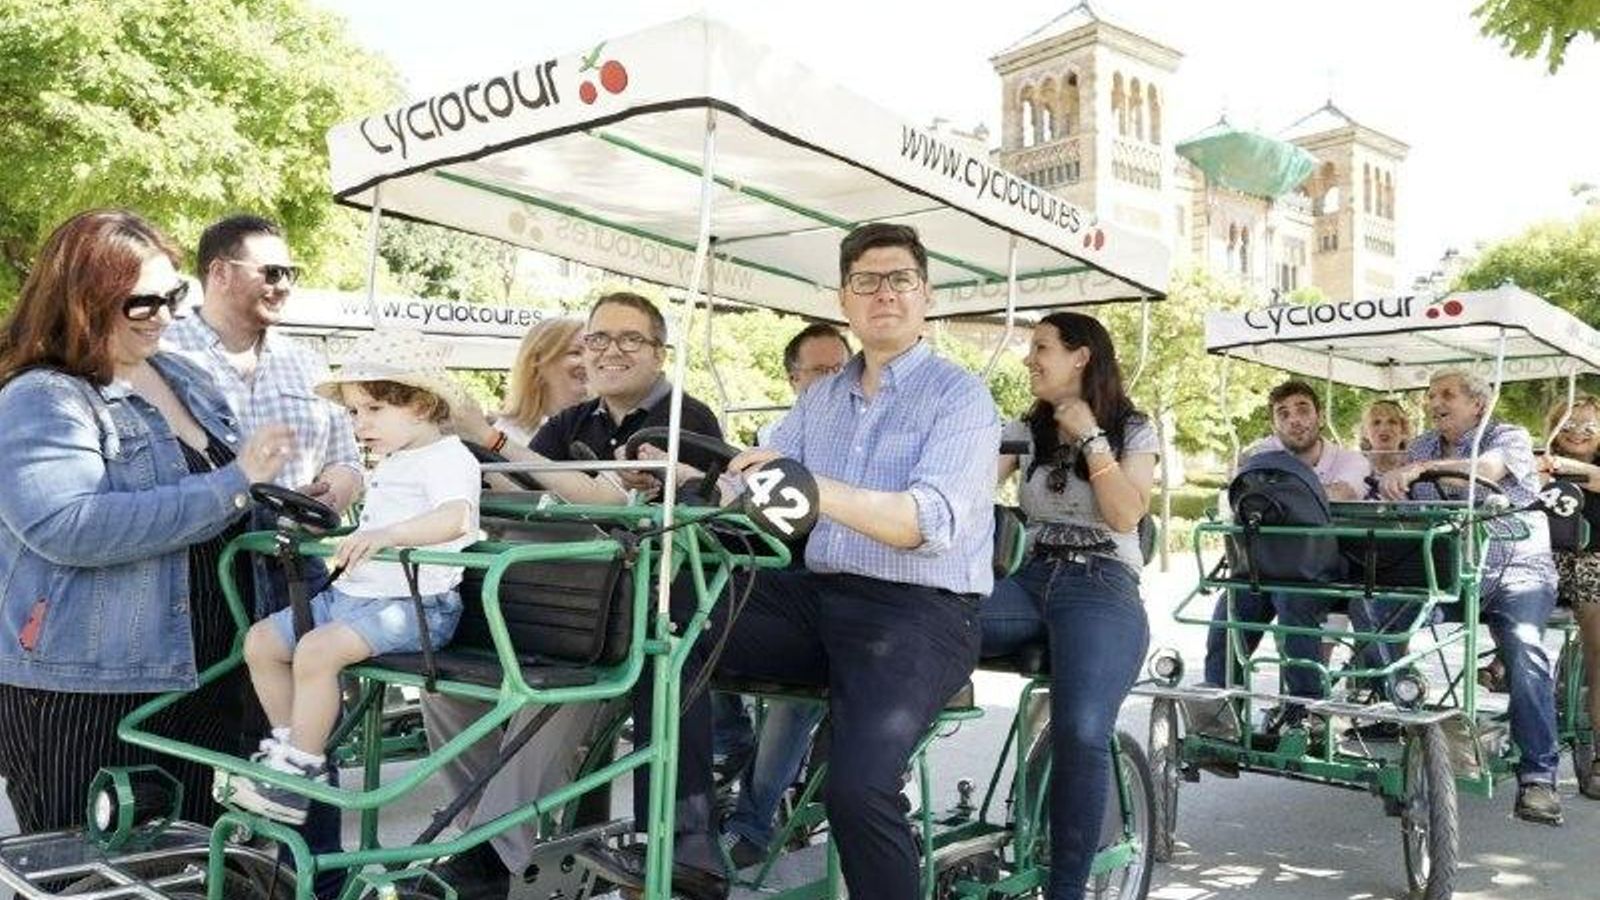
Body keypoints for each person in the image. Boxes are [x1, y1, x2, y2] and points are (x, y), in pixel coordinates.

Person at [580, 223, 1000, 900]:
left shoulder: (960, 397)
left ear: (926, 295)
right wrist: (684, 478)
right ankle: (687, 842)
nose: (884, 293)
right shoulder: (821, 398)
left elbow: (928, 523)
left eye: (900, 279)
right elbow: (755, 486)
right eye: (866, 281)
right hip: (820, 597)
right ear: (844, 298)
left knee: (856, 789)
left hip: (920, 613)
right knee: (666, 607)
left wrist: (811, 486)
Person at [423, 291, 726, 896]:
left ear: (659, 352)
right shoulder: (573, 422)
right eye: (599, 339)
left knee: (559, 693)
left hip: (640, 611)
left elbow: (608, 506)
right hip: (558, 598)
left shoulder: (687, 421)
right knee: (442, 687)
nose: (611, 351)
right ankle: (478, 835)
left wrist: (494, 439)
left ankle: (490, 855)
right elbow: (531, 492)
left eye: (630, 339)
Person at [0, 209, 293, 831]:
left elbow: (228, 495)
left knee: (193, 866)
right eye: (143, 302)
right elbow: (68, 525)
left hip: (207, 678)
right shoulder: (42, 395)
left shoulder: (182, 373)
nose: (165, 315)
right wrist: (236, 484)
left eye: (173, 296)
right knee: (86, 870)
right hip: (91, 688)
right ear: (84, 299)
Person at [165, 213, 363, 896]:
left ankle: (315, 882)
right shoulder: (163, 348)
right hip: (197, 567)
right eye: (272, 271)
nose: (284, 285)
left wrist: (337, 487)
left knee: (305, 738)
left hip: (291, 566)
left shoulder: (305, 359)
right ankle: (207, 875)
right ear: (220, 272)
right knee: (198, 733)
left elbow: (348, 458)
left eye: (291, 273)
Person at [232, 330, 480, 825]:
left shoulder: (449, 458)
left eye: (373, 410)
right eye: (353, 412)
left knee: (316, 651)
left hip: (414, 605)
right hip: (356, 594)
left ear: (421, 405)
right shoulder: (395, 460)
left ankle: (301, 768)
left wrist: (390, 535)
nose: (360, 424)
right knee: (260, 642)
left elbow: (457, 517)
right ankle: (291, 748)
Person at [980, 311, 1156, 900]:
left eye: (1041, 348)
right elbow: (970, 486)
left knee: (1081, 731)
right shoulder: (1025, 428)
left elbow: (1125, 515)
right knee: (929, 628)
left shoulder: (1133, 428)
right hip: (1028, 578)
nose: (1029, 359)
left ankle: (1066, 891)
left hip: (1102, 583)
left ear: (1081, 356)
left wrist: (1090, 437)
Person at [1378, 368, 1563, 825]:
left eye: (1447, 394)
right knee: (1375, 610)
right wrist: (1391, 485)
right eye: (1430, 395)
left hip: (1516, 572)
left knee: (1524, 649)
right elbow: (1410, 509)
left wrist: (1420, 471)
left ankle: (1538, 778)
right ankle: (1410, 715)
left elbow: (1487, 471)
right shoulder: (1421, 445)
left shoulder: (1508, 436)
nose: (1434, 402)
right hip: (1445, 571)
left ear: (1477, 404)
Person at [719, 321, 852, 868]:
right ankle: (725, 752)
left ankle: (751, 824)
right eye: (821, 371)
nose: (834, 379)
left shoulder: (865, 435)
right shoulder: (776, 436)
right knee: (686, 618)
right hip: (776, 579)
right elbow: (739, 503)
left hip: (836, 590)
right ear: (794, 379)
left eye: (841, 369)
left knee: (795, 694)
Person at [1201, 381, 1371, 699]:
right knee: (1234, 605)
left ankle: (1305, 705)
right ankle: (1219, 701)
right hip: (1265, 565)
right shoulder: (1261, 456)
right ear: (1274, 424)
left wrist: (1274, 494)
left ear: (1319, 416)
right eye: (1283, 414)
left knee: (1293, 601)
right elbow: (1240, 495)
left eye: (1303, 410)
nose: (1294, 420)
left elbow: (1342, 493)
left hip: (1321, 567)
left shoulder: (1351, 461)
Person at [1538, 394, 1600, 800]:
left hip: (1595, 560)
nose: (1578, 432)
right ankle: (1503, 661)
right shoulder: (1538, 458)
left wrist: (1565, 468)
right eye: (1569, 425)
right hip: (1548, 560)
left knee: (1599, 649)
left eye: (1589, 426)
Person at [492, 316, 587, 446]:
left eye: (592, 353)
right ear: (538, 363)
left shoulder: (606, 425)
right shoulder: (508, 434)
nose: (589, 362)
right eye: (575, 353)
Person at [1359, 398, 1413, 484]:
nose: (1384, 428)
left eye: (1392, 422)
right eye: (1376, 422)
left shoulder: (1415, 466)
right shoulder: (1354, 466)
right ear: (1365, 432)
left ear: (1403, 430)